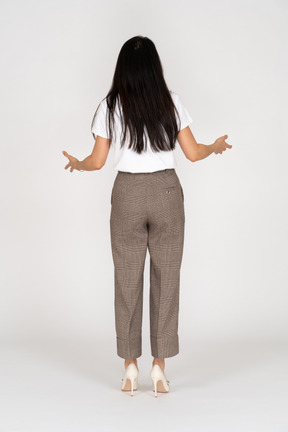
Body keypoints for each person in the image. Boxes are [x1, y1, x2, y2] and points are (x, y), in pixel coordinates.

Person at [62, 35, 232, 397]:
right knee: (167, 278)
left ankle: (129, 367)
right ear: (155, 66)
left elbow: (96, 161)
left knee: (127, 279)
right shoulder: (170, 102)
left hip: (126, 194)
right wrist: (214, 147)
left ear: (122, 67)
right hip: (167, 192)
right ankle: (159, 367)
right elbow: (192, 152)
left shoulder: (109, 106)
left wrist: (77, 164)